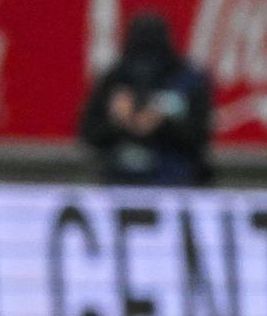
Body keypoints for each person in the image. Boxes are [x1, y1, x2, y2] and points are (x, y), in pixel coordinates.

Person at [77, 12, 214, 186]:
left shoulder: (187, 79)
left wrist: (161, 122)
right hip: (119, 182)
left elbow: (201, 137)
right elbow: (89, 133)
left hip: (177, 183)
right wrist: (120, 122)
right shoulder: (116, 79)